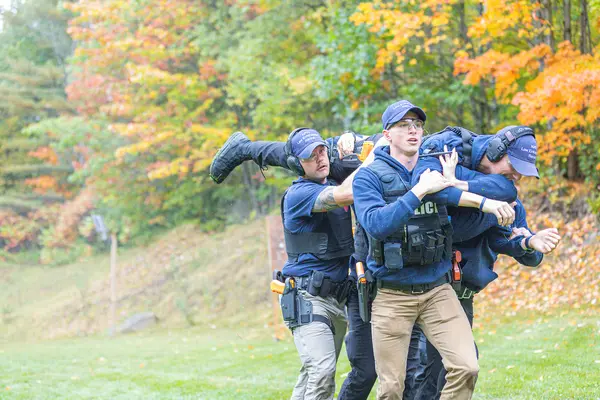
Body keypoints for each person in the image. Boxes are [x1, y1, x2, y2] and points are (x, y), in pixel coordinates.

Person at [351, 99, 519, 400]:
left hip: (437, 290)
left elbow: (464, 194)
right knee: (391, 389)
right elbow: (377, 224)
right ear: (387, 134)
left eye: (417, 125)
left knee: (467, 366)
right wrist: (419, 191)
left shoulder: (436, 166)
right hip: (391, 294)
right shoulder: (369, 176)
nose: (413, 131)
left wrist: (484, 201)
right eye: (404, 125)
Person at [277, 127, 374, 400]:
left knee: (312, 374)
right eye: (311, 156)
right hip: (308, 296)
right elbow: (345, 194)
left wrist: (352, 139)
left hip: (337, 297)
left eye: (322, 151)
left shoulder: (331, 181)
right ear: (298, 164)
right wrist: (374, 158)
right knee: (321, 371)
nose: (320, 159)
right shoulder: (299, 195)